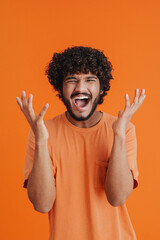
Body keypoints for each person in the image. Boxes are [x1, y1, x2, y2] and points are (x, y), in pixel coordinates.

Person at [16, 46, 146, 240]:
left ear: (101, 88)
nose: (80, 88)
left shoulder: (124, 129)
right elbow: (42, 205)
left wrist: (118, 135)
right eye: (71, 80)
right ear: (60, 88)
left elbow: (117, 197)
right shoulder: (42, 132)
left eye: (90, 80)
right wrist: (42, 142)